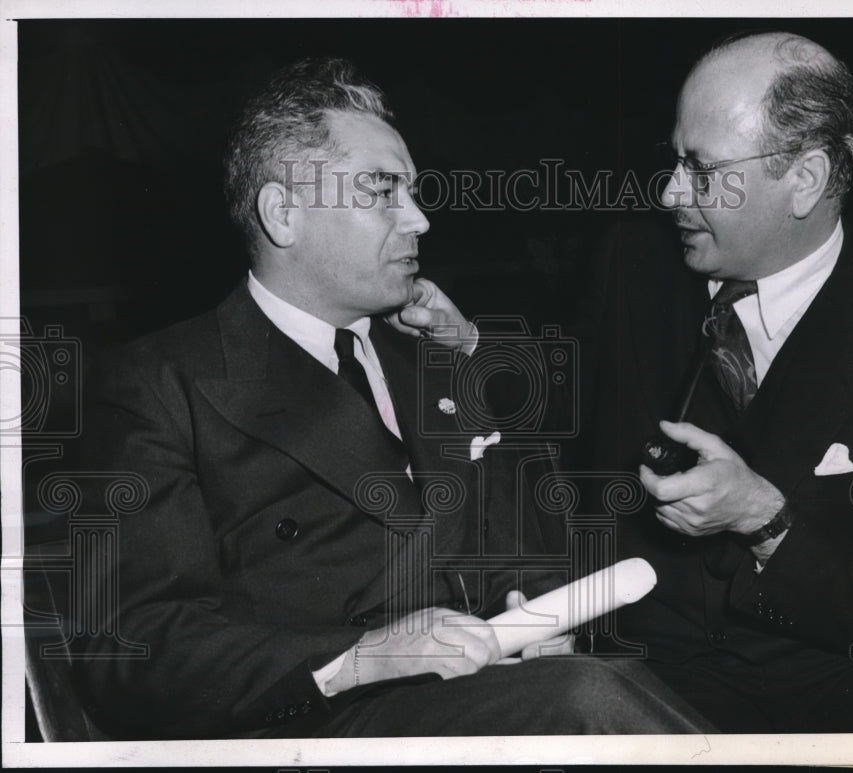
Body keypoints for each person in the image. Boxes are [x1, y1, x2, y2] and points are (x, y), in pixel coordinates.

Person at [74, 57, 712, 739]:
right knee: (592, 700)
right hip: (314, 725)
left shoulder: (431, 358)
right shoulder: (160, 385)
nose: (419, 219)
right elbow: (130, 650)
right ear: (283, 214)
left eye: (411, 189)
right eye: (382, 190)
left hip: (491, 698)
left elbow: (522, 539)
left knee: (605, 684)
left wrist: (537, 617)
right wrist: (360, 657)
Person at [587, 32, 853, 732]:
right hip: (634, 677)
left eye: (702, 170)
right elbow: (564, 458)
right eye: (672, 161)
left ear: (807, 180)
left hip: (823, 700)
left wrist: (765, 520)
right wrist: (468, 350)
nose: (671, 191)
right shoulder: (628, 264)